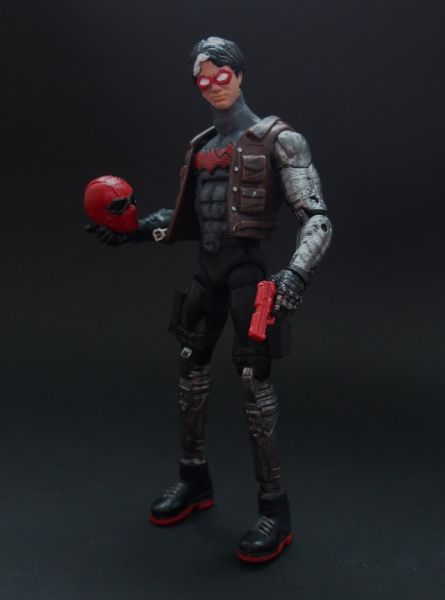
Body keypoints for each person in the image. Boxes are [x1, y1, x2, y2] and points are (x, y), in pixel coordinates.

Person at [88, 36, 332, 563]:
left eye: (221, 74)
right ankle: (194, 480)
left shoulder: (280, 140)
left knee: (253, 387)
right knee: (190, 373)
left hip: (248, 277)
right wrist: (133, 230)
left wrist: (295, 276)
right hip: (207, 273)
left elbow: (316, 218)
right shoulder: (200, 146)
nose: (213, 85)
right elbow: (188, 221)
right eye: (203, 78)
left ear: (239, 75)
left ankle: (275, 509)